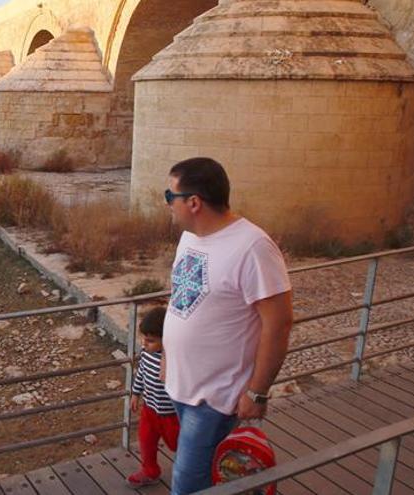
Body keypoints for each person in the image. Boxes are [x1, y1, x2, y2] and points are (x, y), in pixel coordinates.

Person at [161, 157, 293, 495]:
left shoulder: (253, 247)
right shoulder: (190, 237)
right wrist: (166, 355)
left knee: (187, 484)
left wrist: (257, 390)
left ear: (193, 202)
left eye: (169, 196)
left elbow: (278, 324)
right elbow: (181, 299)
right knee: (203, 479)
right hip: (180, 383)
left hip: (216, 396)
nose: (167, 204)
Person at [127, 306, 179, 488]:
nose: (144, 344)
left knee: (177, 445)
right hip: (149, 409)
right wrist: (135, 393)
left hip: (171, 414)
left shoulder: (173, 359)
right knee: (146, 440)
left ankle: (191, 472)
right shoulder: (146, 354)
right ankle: (150, 470)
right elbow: (141, 373)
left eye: (150, 341)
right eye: (143, 339)